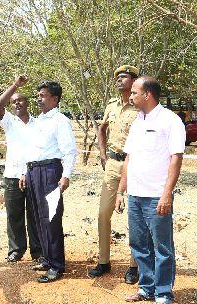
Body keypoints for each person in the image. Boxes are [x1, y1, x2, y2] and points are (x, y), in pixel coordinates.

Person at [115, 76, 185, 304]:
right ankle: (146, 288)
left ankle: (164, 294)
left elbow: (176, 158)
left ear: (147, 94)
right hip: (135, 194)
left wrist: (167, 193)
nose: (130, 96)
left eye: (134, 92)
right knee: (139, 244)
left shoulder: (170, 120)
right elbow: (129, 158)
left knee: (162, 247)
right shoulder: (137, 121)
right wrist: (121, 191)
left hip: (157, 195)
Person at [20, 80, 77, 282]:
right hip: (34, 172)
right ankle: (46, 257)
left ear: (55, 99)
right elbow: (32, 150)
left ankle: (56, 265)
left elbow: (69, 151)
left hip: (50, 172)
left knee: (51, 218)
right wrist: (24, 172)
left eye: (43, 96)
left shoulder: (60, 120)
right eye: (38, 95)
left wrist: (66, 175)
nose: (39, 99)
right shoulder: (38, 121)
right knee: (38, 217)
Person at [88, 65, 139, 284]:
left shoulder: (141, 107)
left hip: (136, 166)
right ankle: (104, 261)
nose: (119, 80)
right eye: (117, 77)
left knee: (134, 218)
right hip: (113, 165)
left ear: (134, 80)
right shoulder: (112, 106)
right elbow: (101, 128)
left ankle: (134, 266)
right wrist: (102, 154)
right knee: (103, 214)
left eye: (124, 77)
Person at [0, 75, 41, 263]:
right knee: (14, 215)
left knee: (34, 215)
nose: (17, 103)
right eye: (14, 102)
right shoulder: (9, 122)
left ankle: (38, 251)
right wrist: (15, 85)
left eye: (20, 100)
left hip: (33, 175)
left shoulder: (39, 123)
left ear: (27, 103)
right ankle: (16, 250)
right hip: (12, 175)